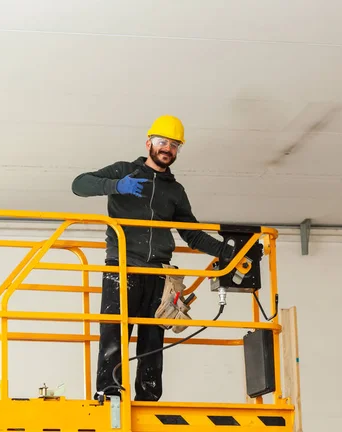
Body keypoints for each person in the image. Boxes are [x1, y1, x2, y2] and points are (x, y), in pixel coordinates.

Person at [71, 115, 233, 402]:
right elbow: (79, 185)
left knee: (152, 338)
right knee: (114, 331)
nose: (167, 148)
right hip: (121, 266)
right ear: (149, 143)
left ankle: (148, 396)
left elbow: (192, 234)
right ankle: (109, 391)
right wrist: (116, 186)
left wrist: (228, 252)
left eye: (174, 145)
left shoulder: (175, 192)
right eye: (162, 142)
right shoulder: (124, 171)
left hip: (158, 272)